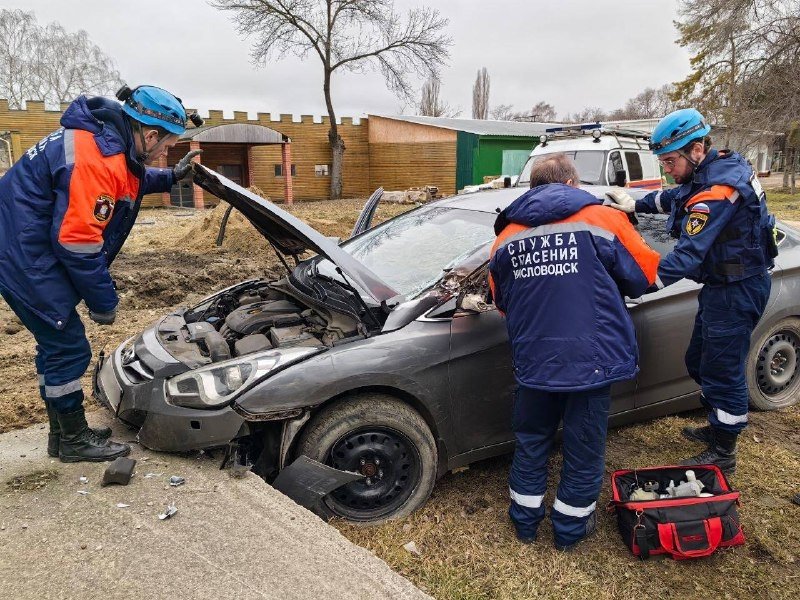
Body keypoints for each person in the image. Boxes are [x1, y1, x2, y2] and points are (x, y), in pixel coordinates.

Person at [0, 85, 201, 462]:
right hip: (25, 259)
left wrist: (172, 176)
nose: (166, 151)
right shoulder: (96, 158)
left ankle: (63, 436)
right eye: (168, 145)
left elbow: (129, 178)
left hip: (22, 247)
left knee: (56, 346)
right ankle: (74, 441)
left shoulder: (105, 139)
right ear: (150, 134)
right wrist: (104, 300)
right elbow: (77, 241)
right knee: (68, 348)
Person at [489, 154, 659, 550]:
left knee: (532, 440)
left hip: (533, 363)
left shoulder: (505, 237)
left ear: (533, 188)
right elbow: (643, 276)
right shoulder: (601, 220)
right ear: (571, 185)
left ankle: (525, 524)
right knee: (583, 447)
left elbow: (501, 302)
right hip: (591, 362)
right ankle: (569, 529)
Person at [605, 108, 776, 474]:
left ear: (696, 149)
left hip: (737, 289)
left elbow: (684, 256)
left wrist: (637, 284)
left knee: (722, 370)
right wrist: (636, 203)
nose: (667, 168)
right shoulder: (713, 170)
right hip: (721, 287)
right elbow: (678, 196)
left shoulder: (718, 190)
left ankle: (723, 453)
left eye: (670, 160)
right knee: (698, 362)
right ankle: (718, 423)